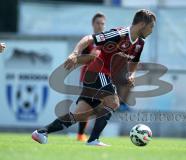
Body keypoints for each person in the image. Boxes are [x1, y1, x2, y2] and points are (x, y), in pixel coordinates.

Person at [32, 9, 156, 146]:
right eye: (151, 26)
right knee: (114, 102)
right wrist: (75, 53)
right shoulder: (119, 33)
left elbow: (134, 61)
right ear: (142, 24)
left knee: (80, 115)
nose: (151, 30)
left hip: (99, 76)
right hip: (97, 73)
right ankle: (93, 140)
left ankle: (41, 132)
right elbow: (89, 38)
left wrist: (131, 74)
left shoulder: (140, 43)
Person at [77, 12, 106, 142]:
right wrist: (90, 56)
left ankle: (94, 136)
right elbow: (79, 60)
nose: (100, 26)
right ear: (93, 24)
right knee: (86, 109)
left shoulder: (108, 41)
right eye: (98, 23)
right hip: (88, 79)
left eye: (102, 23)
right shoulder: (88, 40)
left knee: (104, 106)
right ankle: (81, 134)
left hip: (104, 78)